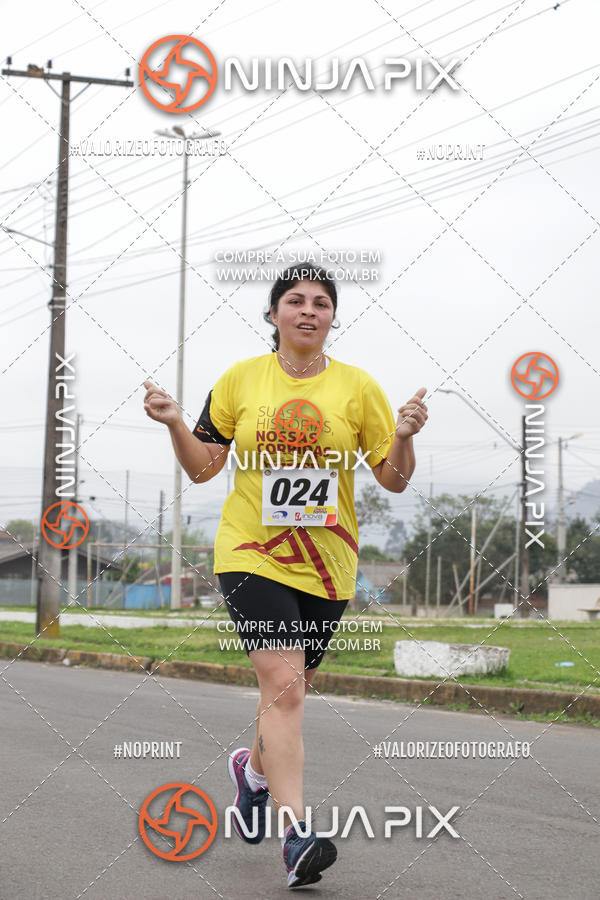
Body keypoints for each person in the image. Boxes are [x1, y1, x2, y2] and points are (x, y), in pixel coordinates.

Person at [142, 266, 428, 888]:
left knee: (287, 690)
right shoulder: (241, 379)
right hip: (251, 551)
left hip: (328, 564)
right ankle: (298, 834)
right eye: (294, 301)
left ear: (332, 317)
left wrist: (402, 438)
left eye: (320, 303)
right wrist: (173, 424)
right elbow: (202, 469)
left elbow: (393, 479)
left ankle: (253, 773)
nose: (308, 311)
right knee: (287, 686)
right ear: (273, 315)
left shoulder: (359, 389)